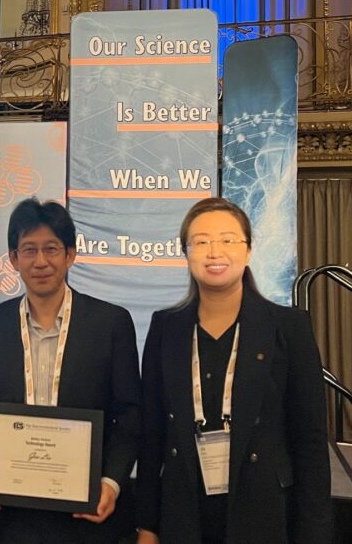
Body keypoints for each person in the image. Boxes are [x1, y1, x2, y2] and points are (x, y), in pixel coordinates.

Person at [136, 197, 331, 544]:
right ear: (186, 252)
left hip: (264, 511)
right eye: (201, 242)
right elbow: (152, 438)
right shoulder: (165, 328)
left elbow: (310, 441)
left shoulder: (288, 327)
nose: (214, 252)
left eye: (228, 240)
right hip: (183, 511)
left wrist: (313, 533)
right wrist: (148, 526)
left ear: (249, 250)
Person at [0, 198, 141, 543]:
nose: (40, 261)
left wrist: (111, 483)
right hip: (7, 511)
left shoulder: (110, 323)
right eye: (28, 250)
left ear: (70, 255)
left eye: (51, 249)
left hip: (83, 511)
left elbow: (130, 414)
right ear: (13, 259)